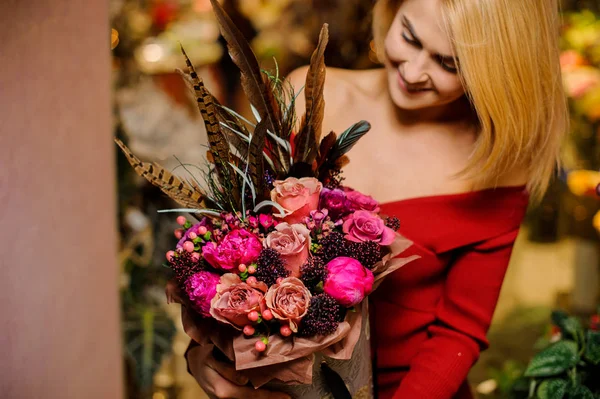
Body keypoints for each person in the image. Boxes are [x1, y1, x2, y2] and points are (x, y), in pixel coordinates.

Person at [184, 0, 568, 397]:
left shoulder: (498, 161)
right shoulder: (312, 95)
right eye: (409, 36)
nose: (414, 72)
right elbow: (231, 247)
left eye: (449, 64)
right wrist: (203, 355)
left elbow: (459, 332)